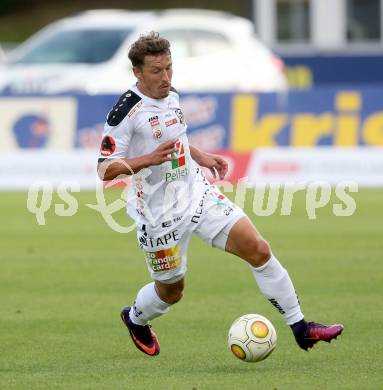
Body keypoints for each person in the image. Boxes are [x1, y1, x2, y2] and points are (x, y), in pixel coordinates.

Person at [97, 32, 343, 356]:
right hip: (157, 215)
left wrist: (199, 156)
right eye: (156, 71)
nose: (166, 77)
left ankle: (301, 327)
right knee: (171, 291)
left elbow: (176, 138)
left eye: (169, 68)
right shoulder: (125, 113)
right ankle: (135, 317)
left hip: (197, 193)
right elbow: (104, 169)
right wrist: (148, 159)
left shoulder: (171, 94)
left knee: (258, 248)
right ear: (137, 73)